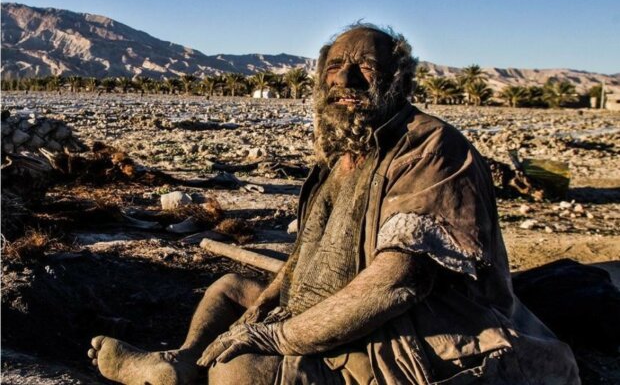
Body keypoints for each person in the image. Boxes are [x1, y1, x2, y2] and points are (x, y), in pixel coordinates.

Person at [88, 25, 580, 384]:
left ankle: (213, 368)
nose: (347, 79)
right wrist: (259, 310)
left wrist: (275, 338)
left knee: (242, 370)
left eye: (366, 67)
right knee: (231, 287)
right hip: (325, 306)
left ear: (399, 81)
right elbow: (303, 256)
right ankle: (185, 360)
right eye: (334, 68)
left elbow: (397, 282)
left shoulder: (430, 147)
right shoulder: (340, 156)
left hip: (419, 323)